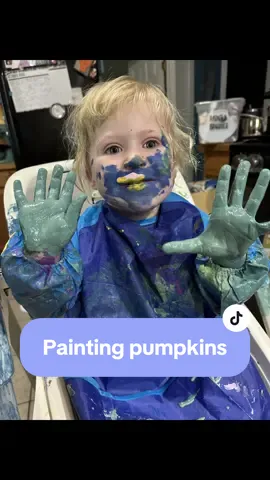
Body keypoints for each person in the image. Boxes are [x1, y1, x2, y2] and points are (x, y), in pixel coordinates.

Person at [1, 76, 270, 420]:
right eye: (113, 149)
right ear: (89, 172)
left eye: (150, 143)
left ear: (174, 161)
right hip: (114, 374)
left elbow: (223, 301)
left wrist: (229, 261)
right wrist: (44, 258)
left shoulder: (195, 222)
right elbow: (52, 309)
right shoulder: (82, 234)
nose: (133, 159)